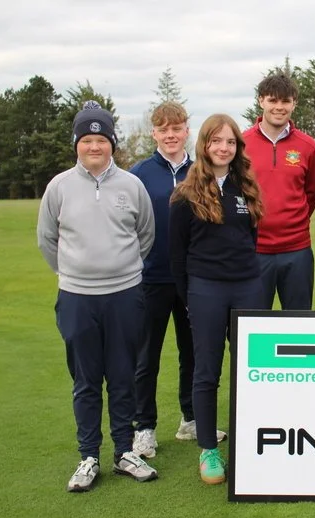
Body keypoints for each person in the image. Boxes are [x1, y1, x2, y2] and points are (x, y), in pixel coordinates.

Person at [36, 101, 158, 492]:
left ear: (112, 144)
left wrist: (120, 269)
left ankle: (124, 451)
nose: (94, 146)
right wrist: (73, 272)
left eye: (101, 140)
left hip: (124, 296)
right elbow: (47, 239)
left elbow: (145, 234)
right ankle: (89, 455)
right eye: (87, 140)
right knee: (86, 381)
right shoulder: (59, 187)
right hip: (77, 298)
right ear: (77, 143)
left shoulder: (131, 185)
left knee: (122, 377)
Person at [169, 114, 264, 485]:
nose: (224, 148)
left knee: (252, 368)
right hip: (205, 289)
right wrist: (190, 297)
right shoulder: (185, 194)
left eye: (231, 142)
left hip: (248, 287)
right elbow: (177, 256)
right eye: (217, 141)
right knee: (207, 370)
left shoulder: (246, 188)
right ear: (204, 144)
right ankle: (208, 448)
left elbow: (250, 241)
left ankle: (254, 439)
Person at [129, 102, 225, 460]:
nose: (170, 135)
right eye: (163, 129)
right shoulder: (138, 174)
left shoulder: (202, 172)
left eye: (177, 128)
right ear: (154, 133)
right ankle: (144, 427)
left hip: (194, 278)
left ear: (187, 130)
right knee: (147, 356)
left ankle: (190, 419)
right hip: (151, 277)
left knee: (193, 353)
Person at [242, 74, 315, 310]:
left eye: (285, 101)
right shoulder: (241, 143)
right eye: (272, 100)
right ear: (261, 101)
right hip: (253, 250)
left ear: (294, 103)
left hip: (297, 250)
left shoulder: (308, 146)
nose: (279, 107)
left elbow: (311, 193)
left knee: (298, 323)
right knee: (252, 322)